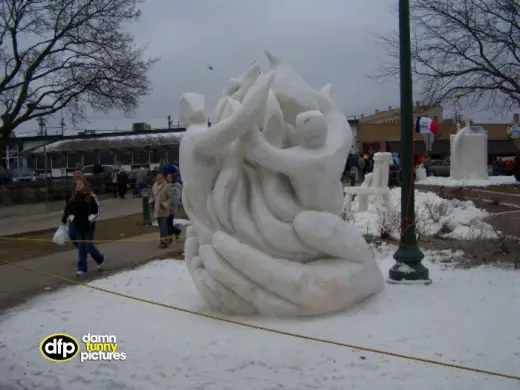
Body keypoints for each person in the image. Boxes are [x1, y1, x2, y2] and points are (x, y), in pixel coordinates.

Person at [62, 179, 104, 275]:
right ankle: (82, 268)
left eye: (80, 184)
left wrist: (89, 220)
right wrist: (73, 219)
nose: (78, 185)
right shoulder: (74, 198)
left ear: (85, 185)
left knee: (88, 246)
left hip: (88, 226)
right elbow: (70, 211)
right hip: (78, 226)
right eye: (77, 184)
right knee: (81, 247)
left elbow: (96, 211)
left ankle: (100, 258)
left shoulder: (91, 197)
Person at [149, 173, 173, 248]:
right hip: (157, 210)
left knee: (164, 227)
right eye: (157, 178)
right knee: (161, 227)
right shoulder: (154, 186)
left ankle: (164, 242)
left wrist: (165, 204)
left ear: (163, 179)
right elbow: (152, 196)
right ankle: (164, 240)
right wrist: (151, 202)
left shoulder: (167, 186)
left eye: (160, 178)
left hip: (163, 209)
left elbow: (171, 198)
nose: (158, 179)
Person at [166, 173, 183, 242]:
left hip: (172, 207)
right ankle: (176, 231)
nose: (168, 178)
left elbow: (177, 198)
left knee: (169, 223)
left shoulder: (176, 187)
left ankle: (170, 237)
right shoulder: (166, 186)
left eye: (170, 177)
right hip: (165, 207)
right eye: (167, 177)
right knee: (167, 223)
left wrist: (171, 203)